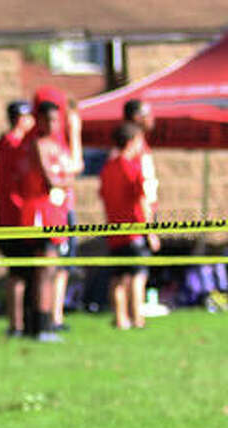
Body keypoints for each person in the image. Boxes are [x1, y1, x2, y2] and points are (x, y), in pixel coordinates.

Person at [18, 101, 78, 342]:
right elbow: (53, 179)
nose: (52, 125)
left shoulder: (57, 145)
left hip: (57, 211)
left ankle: (45, 321)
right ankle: (40, 325)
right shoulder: (38, 145)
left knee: (52, 269)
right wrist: (66, 179)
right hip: (40, 213)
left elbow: (74, 169)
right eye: (48, 119)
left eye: (56, 120)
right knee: (44, 269)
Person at [99, 122, 158, 329]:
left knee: (117, 276)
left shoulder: (107, 168)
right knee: (137, 275)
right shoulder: (132, 167)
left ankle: (120, 318)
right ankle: (137, 318)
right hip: (133, 230)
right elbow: (142, 200)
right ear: (132, 142)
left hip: (114, 229)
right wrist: (150, 231)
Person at [0, 100, 34, 336]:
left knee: (22, 271)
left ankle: (21, 322)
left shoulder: (6, 143)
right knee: (17, 272)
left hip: (13, 215)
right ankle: (15, 323)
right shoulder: (12, 144)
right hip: (14, 217)